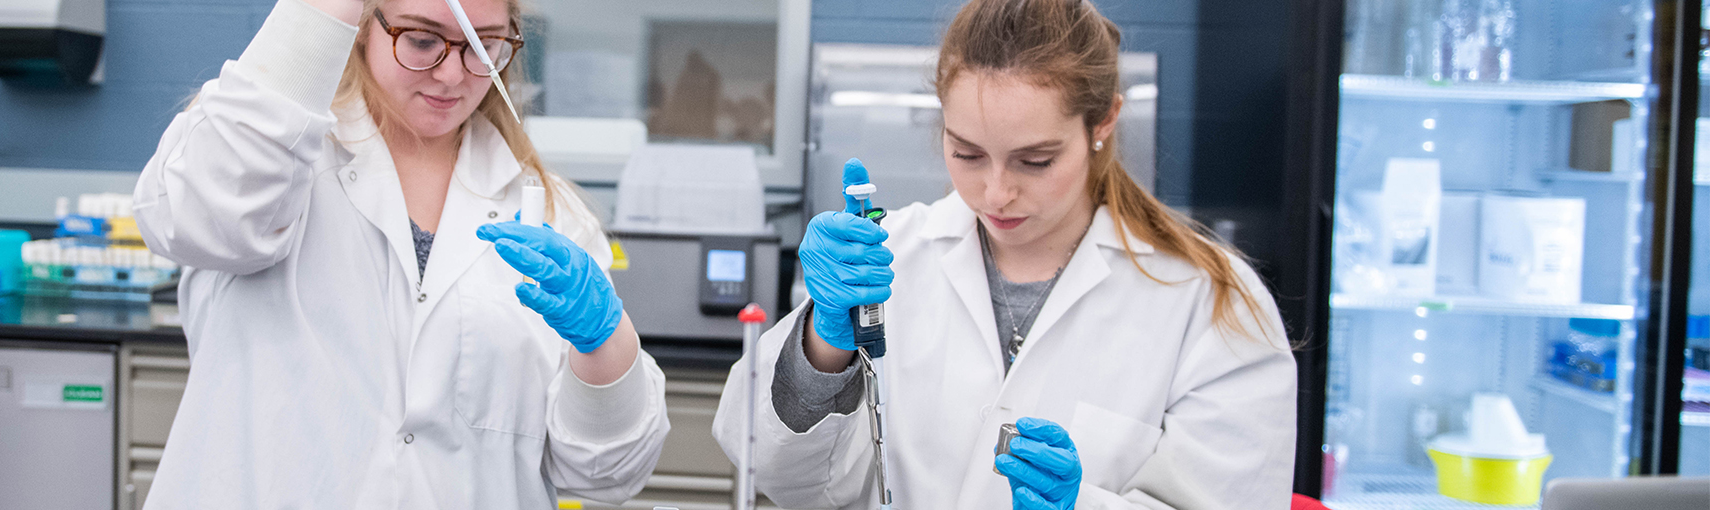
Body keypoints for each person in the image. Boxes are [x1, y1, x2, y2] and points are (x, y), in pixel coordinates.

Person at [712, 0, 1296, 508]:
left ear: (1105, 121)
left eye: (1035, 160)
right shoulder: (891, 258)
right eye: (967, 153)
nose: (996, 193)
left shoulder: (1213, 303)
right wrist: (822, 348)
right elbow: (770, 469)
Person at [130, 0, 669, 506]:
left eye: (484, 47)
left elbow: (605, 474)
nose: (453, 75)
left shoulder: (554, 215)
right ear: (365, 24)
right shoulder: (274, 152)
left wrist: (606, 344)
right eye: (420, 40)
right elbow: (193, 217)